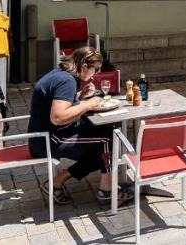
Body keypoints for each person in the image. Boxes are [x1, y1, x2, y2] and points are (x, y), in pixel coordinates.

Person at [27, 46, 124, 206]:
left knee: (105, 145)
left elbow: (59, 102)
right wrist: (89, 104)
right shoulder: (67, 81)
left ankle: (58, 180)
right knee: (108, 140)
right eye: (95, 70)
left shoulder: (60, 74)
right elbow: (58, 117)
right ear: (84, 66)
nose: (95, 75)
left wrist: (80, 96)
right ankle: (107, 192)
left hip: (41, 137)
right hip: (49, 141)